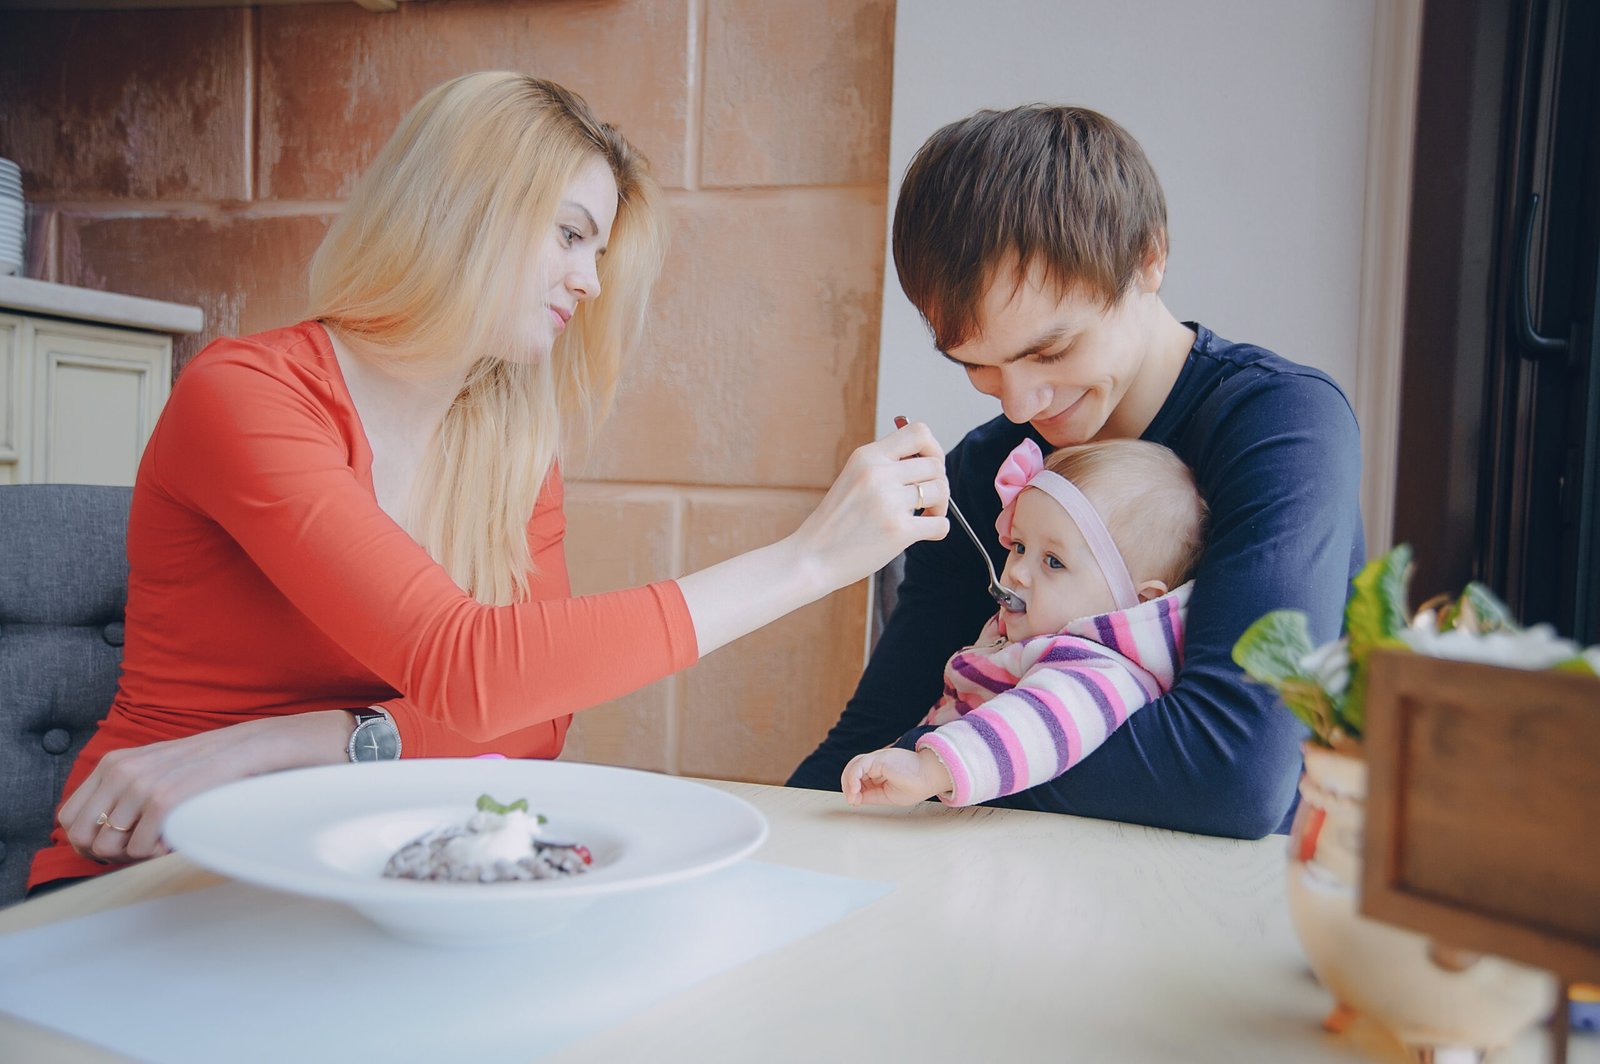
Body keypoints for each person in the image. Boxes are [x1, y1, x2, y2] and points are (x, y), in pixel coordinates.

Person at [29, 71, 950, 892]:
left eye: (599, 253)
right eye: (570, 235)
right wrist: (806, 562)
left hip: (338, 861)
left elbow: (535, 720)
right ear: (464, 207)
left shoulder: (509, 445)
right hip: (148, 864)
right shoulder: (246, 396)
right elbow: (473, 670)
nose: (589, 282)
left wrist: (284, 742)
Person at [790, 104, 1365, 839]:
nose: (1023, 403)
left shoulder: (1281, 427)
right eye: (978, 365)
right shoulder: (984, 469)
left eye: (1052, 351)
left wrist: (942, 767)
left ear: (1149, 259)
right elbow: (878, 730)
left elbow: (1233, 775)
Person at [842, 437, 1205, 807]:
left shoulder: (1100, 670)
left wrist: (928, 770)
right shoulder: (1036, 632)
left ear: (1137, 601)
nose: (1017, 573)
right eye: (1018, 547)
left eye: (1053, 561)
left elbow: (1034, 724)